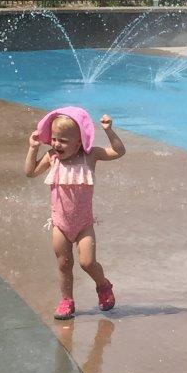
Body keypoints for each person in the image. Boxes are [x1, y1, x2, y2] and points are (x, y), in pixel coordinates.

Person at [25, 106, 126, 320]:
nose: (55, 144)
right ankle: (66, 300)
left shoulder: (90, 156)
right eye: (53, 138)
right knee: (64, 264)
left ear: (79, 141)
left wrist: (108, 130)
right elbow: (30, 172)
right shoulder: (52, 157)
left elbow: (119, 151)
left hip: (84, 224)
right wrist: (33, 148)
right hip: (59, 223)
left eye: (62, 140)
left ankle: (103, 285)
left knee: (87, 263)